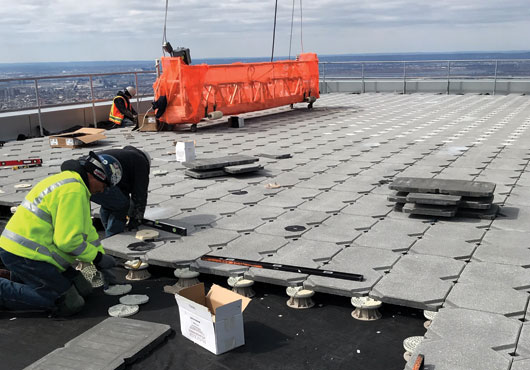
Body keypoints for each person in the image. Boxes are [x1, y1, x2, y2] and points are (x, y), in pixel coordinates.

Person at [0, 152, 122, 316]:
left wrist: (100, 256)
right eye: (105, 185)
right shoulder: (73, 191)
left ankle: (18, 276)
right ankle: (3, 290)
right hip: (24, 255)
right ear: (96, 175)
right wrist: (97, 258)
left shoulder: (76, 185)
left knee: (84, 289)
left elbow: (87, 231)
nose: (104, 190)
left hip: (36, 253)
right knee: (69, 303)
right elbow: (67, 242)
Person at [90, 146, 151, 237]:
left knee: (110, 202)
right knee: (122, 204)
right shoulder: (140, 161)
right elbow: (140, 194)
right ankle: (114, 236)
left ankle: (109, 231)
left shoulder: (126, 158)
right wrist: (136, 219)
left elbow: (121, 188)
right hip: (95, 178)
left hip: (84, 174)